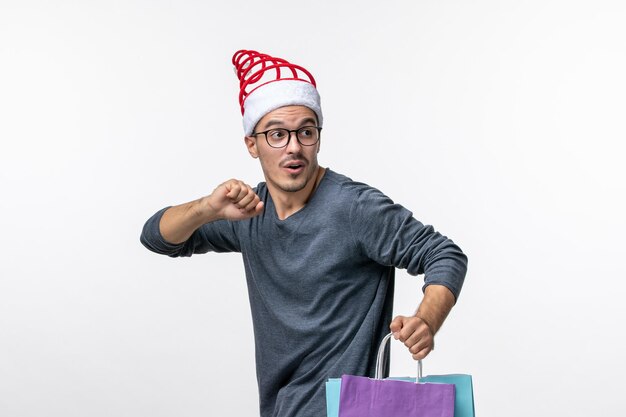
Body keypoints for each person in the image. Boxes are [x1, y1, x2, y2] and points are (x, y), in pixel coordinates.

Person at [140, 49, 468, 417]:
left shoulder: (355, 208)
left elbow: (443, 254)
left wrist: (426, 320)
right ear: (252, 144)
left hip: (346, 409)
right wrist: (206, 209)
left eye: (306, 133)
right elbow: (157, 237)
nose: (294, 147)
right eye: (277, 134)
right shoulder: (247, 212)